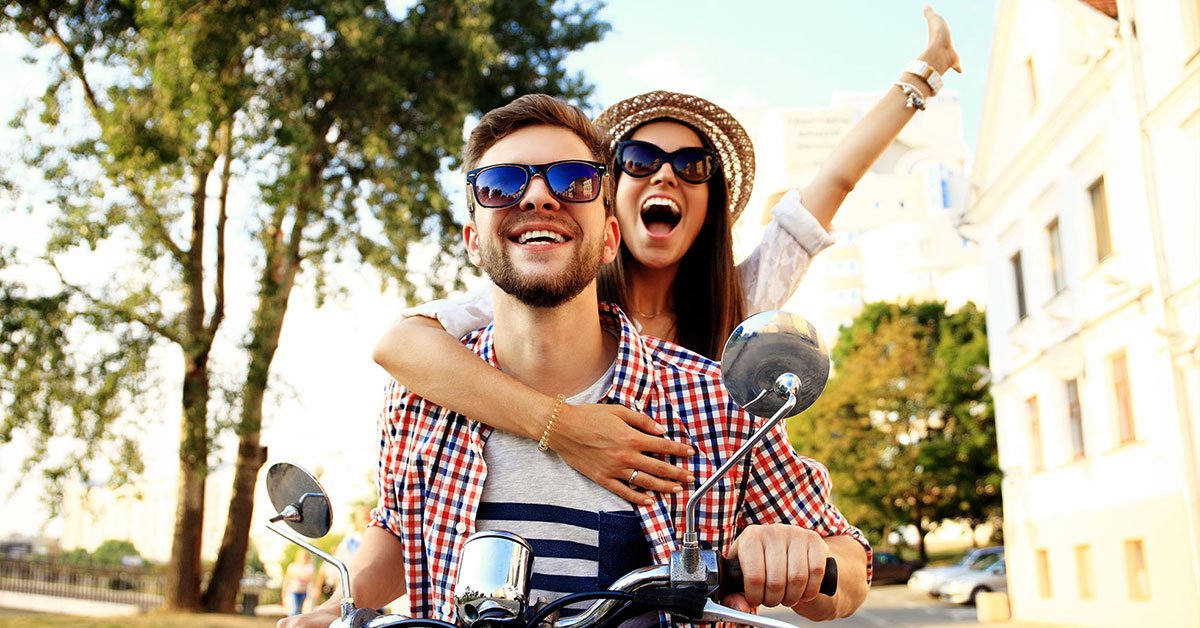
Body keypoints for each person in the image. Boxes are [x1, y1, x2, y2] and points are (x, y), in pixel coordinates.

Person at [280, 94, 869, 628]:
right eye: (502, 184)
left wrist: (798, 553)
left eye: (572, 179)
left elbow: (850, 565)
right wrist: (337, 610)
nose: (538, 195)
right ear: (473, 240)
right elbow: (400, 530)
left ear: (610, 236)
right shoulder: (419, 394)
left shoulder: (717, 397)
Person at [371, 7, 962, 505]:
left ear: (712, 203)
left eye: (692, 166)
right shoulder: (558, 290)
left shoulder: (743, 302)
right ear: (606, 203)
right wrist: (564, 428)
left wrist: (923, 74)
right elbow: (400, 345)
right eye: (639, 160)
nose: (666, 175)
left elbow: (833, 181)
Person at [281, 550, 315, 616]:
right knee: (295, 610)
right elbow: (287, 580)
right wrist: (283, 592)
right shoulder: (293, 566)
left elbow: (311, 579)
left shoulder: (310, 567)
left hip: (304, 592)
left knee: (300, 610)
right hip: (293, 591)